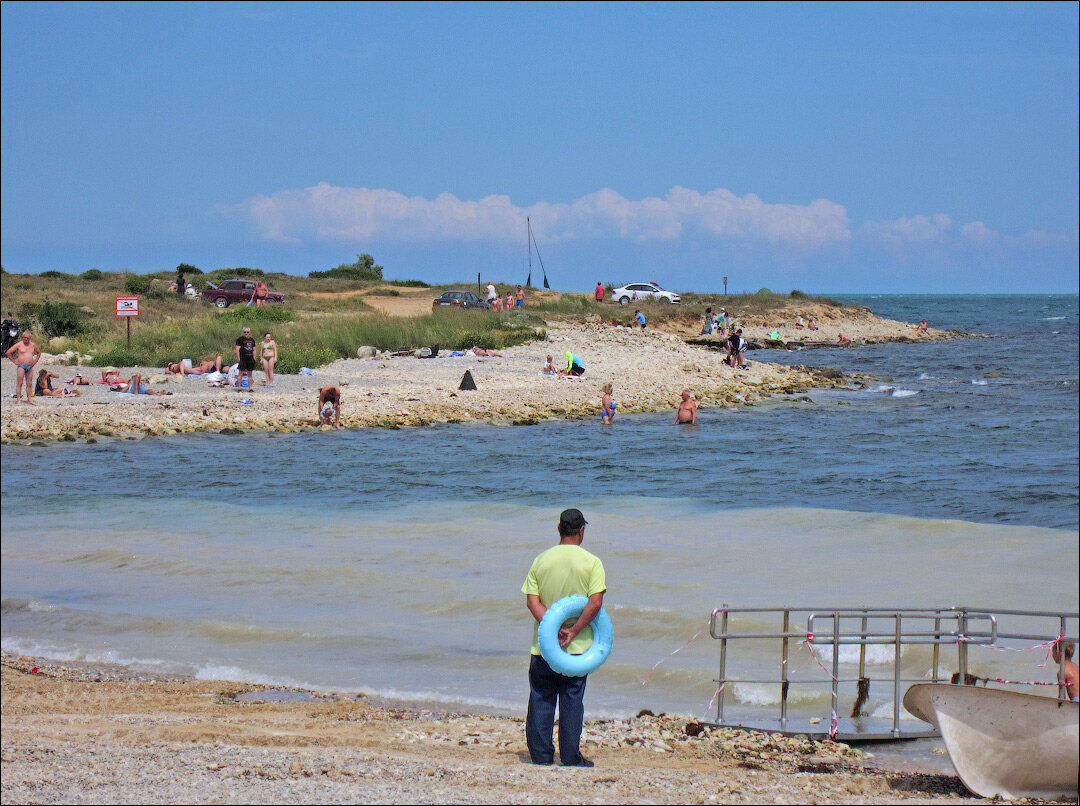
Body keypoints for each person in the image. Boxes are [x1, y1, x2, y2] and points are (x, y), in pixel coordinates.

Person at [522, 508, 606, 767]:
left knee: (541, 698)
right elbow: (595, 603)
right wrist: (574, 630)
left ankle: (541, 756)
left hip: (545, 647)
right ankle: (570, 757)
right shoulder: (592, 562)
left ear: (559, 529)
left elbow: (531, 601)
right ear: (582, 531)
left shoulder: (541, 560)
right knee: (572, 700)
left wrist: (553, 628)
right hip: (577, 649)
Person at [5, 330, 40, 404]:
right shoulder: (19, 344)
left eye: (27, 338)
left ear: (30, 338)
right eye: (24, 338)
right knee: (20, 383)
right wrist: (15, 362)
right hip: (21, 366)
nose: (26, 339)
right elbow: (8, 352)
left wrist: (35, 362)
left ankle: (29, 399)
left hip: (30, 366)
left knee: (29, 383)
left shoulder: (32, 345)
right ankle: (18, 399)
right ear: (22, 337)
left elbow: (39, 353)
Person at [235, 327, 257, 391]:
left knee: (250, 374)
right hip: (243, 358)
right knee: (240, 373)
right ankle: (239, 388)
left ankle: (250, 388)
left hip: (250, 358)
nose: (246, 333)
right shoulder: (240, 340)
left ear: (249, 332)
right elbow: (237, 349)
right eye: (245, 332)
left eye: (247, 332)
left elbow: (254, 349)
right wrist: (238, 358)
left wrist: (254, 358)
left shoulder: (252, 340)